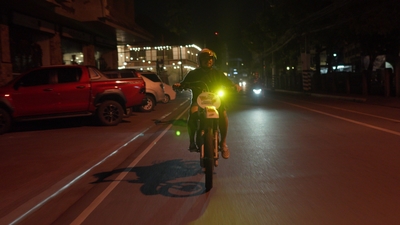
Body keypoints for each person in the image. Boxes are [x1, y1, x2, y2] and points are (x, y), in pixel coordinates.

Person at [175, 48, 241, 159]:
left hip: (216, 101)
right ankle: (192, 142)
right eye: (205, 59)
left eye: (210, 59)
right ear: (200, 60)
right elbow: (183, 84)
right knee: (192, 115)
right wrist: (179, 86)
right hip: (198, 102)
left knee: (223, 115)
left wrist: (235, 86)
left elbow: (229, 83)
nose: (208, 61)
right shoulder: (193, 74)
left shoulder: (218, 73)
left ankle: (223, 143)